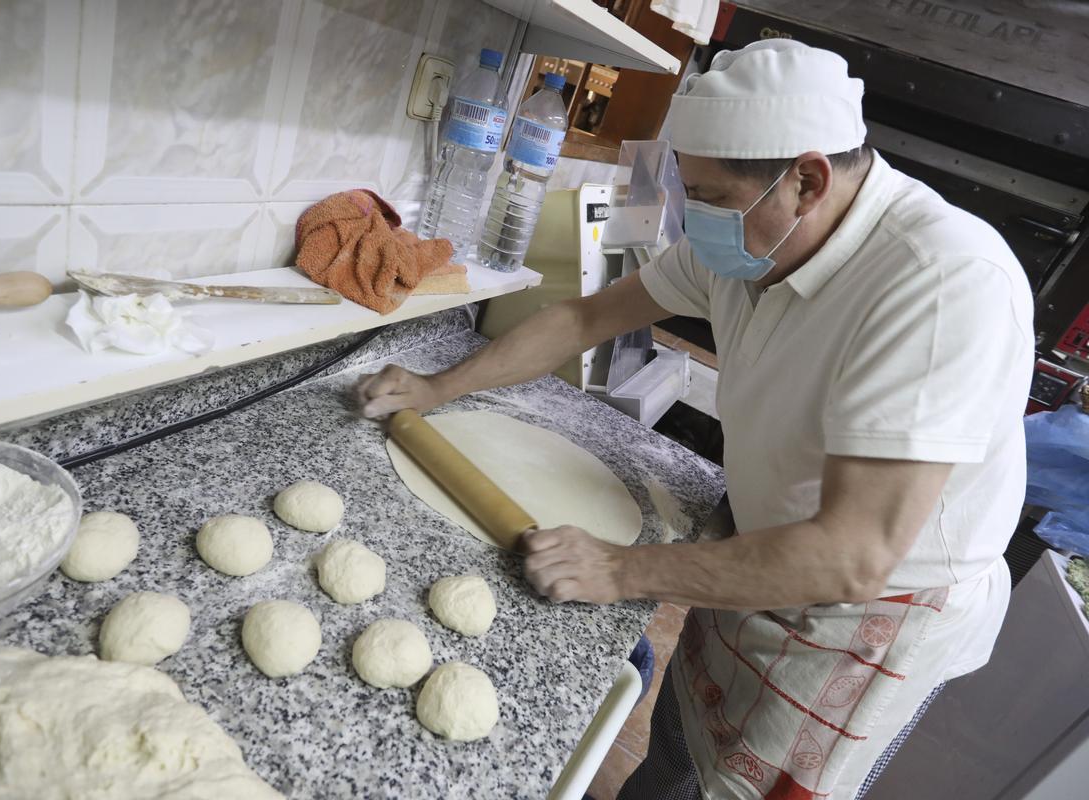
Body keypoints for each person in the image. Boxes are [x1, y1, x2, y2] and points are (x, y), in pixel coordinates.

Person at [357, 40, 1033, 799]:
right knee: (677, 749)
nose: (697, 217)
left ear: (807, 180)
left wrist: (618, 569)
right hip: (762, 545)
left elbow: (854, 554)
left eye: (710, 197)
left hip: (864, 617)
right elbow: (586, 317)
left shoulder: (943, 284)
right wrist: (438, 387)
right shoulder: (751, 237)